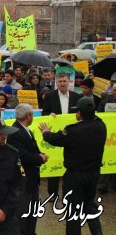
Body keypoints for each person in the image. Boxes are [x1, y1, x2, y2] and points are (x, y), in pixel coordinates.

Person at [39, 97, 106, 235]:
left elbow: (54, 139)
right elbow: (96, 118)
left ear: (80, 113)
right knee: (90, 206)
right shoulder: (101, 126)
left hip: (76, 176)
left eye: (77, 112)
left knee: (73, 210)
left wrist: (45, 132)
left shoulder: (73, 130)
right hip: (94, 174)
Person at [6, 103, 49, 235]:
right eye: (32, 115)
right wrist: (39, 158)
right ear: (28, 116)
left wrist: (40, 154)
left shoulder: (26, 130)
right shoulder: (16, 132)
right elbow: (22, 156)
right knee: (23, 213)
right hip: (23, 180)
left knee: (32, 212)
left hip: (31, 179)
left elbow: (31, 150)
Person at [41, 72, 81, 198]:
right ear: (56, 83)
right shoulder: (50, 96)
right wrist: (49, 115)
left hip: (72, 135)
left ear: (69, 82)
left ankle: (68, 194)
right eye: (60, 81)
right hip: (56, 135)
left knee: (70, 164)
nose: (62, 83)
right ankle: (52, 194)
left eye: (64, 81)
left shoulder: (76, 97)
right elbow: (44, 114)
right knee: (54, 163)